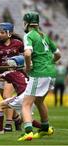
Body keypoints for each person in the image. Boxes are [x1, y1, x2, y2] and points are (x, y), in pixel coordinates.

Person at [18, 11, 61, 141]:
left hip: (39, 73)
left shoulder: (29, 35)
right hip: (51, 72)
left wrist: (28, 66)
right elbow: (58, 55)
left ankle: (28, 131)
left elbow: (26, 54)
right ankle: (45, 128)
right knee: (39, 101)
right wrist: (49, 63)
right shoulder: (44, 36)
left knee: (26, 104)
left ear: (26, 23)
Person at [0, 22, 24, 131]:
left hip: (13, 75)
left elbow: (25, 57)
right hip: (1, 75)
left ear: (9, 33)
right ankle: (17, 119)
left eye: (2, 33)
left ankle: (8, 123)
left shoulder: (18, 44)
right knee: (6, 100)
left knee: (6, 96)